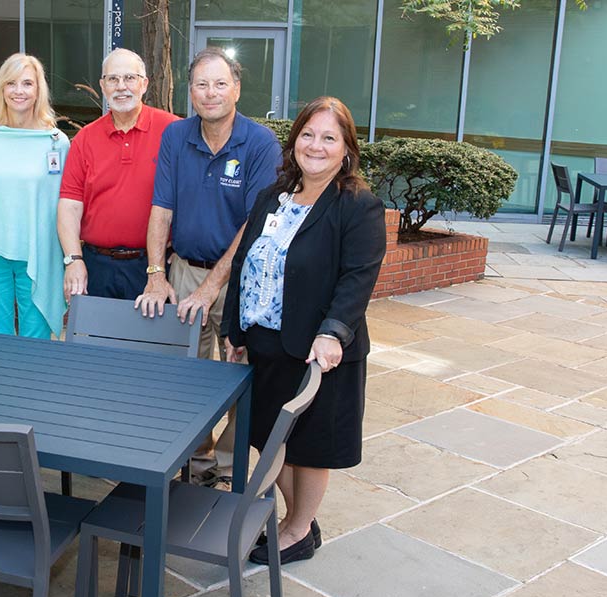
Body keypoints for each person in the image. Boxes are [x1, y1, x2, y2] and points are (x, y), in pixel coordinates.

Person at [221, 96, 385, 564]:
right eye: (308, 135)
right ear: (294, 143)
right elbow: (244, 264)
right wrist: (235, 328)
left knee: (309, 449)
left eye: (329, 138)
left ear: (346, 149)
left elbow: (358, 279)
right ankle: (298, 521)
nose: (316, 146)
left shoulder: (358, 206)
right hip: (267, 345)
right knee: (275, 441)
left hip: (318, 353)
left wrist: (333, 332)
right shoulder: (272, 197)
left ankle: (297, 531)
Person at [135, 46, 281, 486]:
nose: (210, 93)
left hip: (241, 277)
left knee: (241, 373)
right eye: (201, 84)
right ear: (190, 92)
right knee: (185, 376)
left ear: (236, 89)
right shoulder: (177, 137)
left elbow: (253, 226)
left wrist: (211, 288)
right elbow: (161, 208)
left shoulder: (259, 143)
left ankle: (228, 463)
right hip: (184, 269)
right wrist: (157, 273)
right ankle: (198, 468)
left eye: (220, 83)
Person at [0, 53, 68, 340]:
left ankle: (34, 386)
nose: (19, 91)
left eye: (27, 83)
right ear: (1, 89)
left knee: (36, 337)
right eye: (11, 83)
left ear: (38, 90)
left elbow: (63, 202)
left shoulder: (56, 142)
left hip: (38, 251)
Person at [57, 49, 179, 302]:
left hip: (154, 268)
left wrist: (182, 247)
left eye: (129, 78)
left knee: (151, 342)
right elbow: (69, 206)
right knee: (94, 341)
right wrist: (74, 259)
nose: (121, 87)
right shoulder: (84, 139)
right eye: (113, 79)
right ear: (102, 86)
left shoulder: (173, 131)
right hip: (96, 266)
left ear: (144, 84)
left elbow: (193, 194)